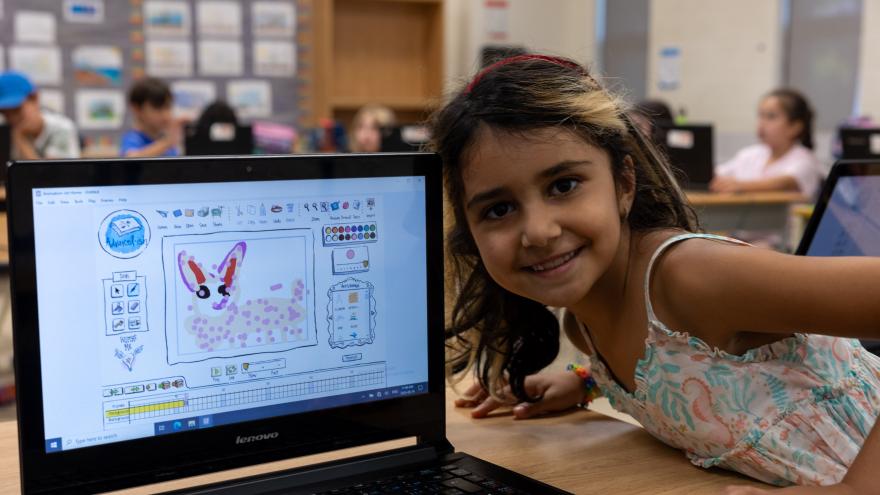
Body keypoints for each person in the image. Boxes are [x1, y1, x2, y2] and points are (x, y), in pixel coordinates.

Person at [431, 54, 880, 492]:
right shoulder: (584, 326)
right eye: (499, 209)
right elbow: (693, 380)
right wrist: (586, 382)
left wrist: (858, 488)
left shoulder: (691, 277)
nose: (539, 232)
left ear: (624, 184)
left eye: (563, 186)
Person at [711, 89, 823, 198]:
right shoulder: (749, 154)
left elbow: (785, 183)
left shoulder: (805, 160)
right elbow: (715, 174)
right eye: (760, 115)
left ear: (795, 127)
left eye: (771, 116)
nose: (762, 123)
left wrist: (739, 186)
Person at [0, 71, 80, 159]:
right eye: (4, 113)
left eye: (16, 110)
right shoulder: (4, 129)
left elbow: (49, 172)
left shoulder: (62, 127)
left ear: (34, 98)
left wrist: (20, 138)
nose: (12, 118)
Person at [121, 77, 183, 157]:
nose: (165, 115)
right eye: (157, 108)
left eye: (168, 107)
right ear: (137, 109)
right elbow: (131, 159)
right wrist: (166, 143)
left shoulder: (166, 141)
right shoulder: (133, 139)